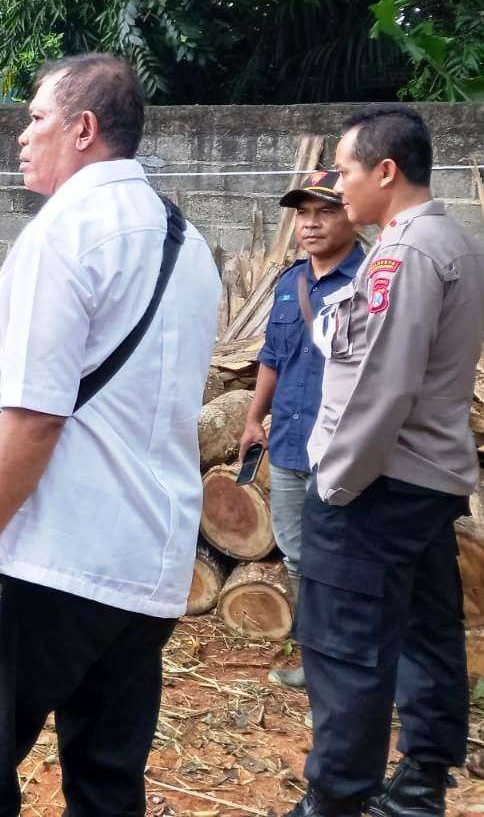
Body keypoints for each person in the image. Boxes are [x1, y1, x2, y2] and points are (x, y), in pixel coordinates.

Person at [0, 53, 221, 817]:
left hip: (52, 561)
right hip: (148, 569)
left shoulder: (66, 233)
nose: (22, 135)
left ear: (84, 129)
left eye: (36, 118)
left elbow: (34, 416)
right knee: (106, 781)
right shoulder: (187, 245)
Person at [285, 107, 484, 817]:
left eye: (343, 171)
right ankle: (421, 780)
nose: (337, 187)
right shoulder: (446, 240)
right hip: (425, 478)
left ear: (386, 171)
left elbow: (383, 383)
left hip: (379, 481)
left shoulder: (405, 253)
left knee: (344, 646)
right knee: (427, 627)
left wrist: (336, 483)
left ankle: (337, 798)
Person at [238, 171, 363, 689]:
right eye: (303, 214)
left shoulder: (371, 281)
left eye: (325, 212)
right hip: (289, 441)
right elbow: (272, 357)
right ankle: (318, 662)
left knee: (346, 558)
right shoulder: (290, 283)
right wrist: (251, 417)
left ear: (352, 215)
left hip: (344, 449)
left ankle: (351, 669)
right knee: (295, 551)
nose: (310, 224)